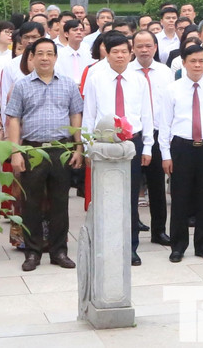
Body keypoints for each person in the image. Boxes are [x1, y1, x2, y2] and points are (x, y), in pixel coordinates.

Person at [5, 36, 84, 271]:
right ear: (32, 57)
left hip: (61, 149)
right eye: (40, 53)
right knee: (32, 203)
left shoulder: (68, 84)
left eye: (50, 53)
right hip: (32, 149)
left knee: (60, 202)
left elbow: (75, 116)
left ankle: (59, 250)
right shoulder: (22, 85)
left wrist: (78, 147)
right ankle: (32, 252)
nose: (45, 58)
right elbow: (14, 119)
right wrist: (16, 152)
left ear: (56, 57)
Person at [81, 32, 153, 265]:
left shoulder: (139, 80)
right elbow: (89, 115)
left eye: (124, 51)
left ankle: (131, 247)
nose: (120, 56)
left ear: (130, 53)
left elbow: (147, 115)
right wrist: (87, 147)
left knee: (130, 198)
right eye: (115, 52)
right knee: (106, 196)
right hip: (104, 144)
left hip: (133, 142)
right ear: (107, 54)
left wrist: (148, 147)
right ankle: (105, 246)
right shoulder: (96, 79)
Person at [159, 44, 203, 262]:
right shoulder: (172, 89)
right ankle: (178, 246)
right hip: (181, 148)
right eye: (193, 61)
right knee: (180, 198)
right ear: (184, 63)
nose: (197, 65)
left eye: (201, 61)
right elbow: (165, 124)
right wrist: (165, 155)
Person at [131, 29, 172, 246]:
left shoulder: (165, 72)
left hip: (160, 133)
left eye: (148, 46)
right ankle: (132, 226)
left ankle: (159, 230)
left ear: (155, 47)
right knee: (132, 184)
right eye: (140, 46)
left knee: (157, 185)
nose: (144, 50)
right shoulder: (127, 72)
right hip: (134, 134)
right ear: (133, 48)